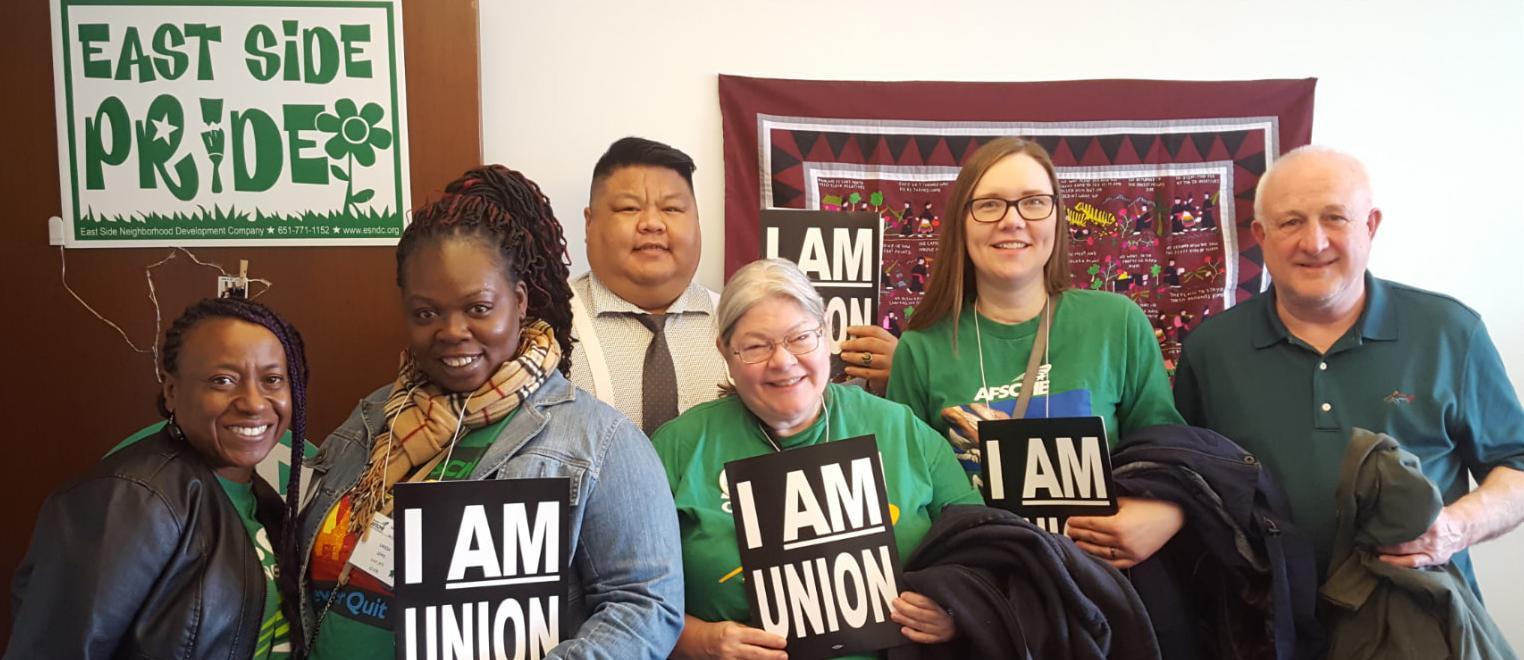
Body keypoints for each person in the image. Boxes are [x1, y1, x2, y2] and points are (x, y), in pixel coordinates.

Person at [300, 165, 684, 658]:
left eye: (478, 308)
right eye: (426, 313)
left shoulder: (599, 441)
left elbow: (646, 606)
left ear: (518, 302)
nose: (452, 331)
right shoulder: (372, 420)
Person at [1174, 146, 1524, 593]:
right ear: (1261, 235)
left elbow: (1516, 464)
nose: (1314, 242)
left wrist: (1456, 528)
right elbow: (1185, 487)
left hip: (1416, 622)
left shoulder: (1450, 332)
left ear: (1371, 225)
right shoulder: (1210, 350)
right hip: (1263, 627)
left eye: (1335, 218)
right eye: (1291, 221)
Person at [654, 258, 984, 660]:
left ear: (826, 332)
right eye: (757, 346)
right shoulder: (678, 448)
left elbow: (983, 551)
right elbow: (630, 593)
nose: (783, 361)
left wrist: (953, 611)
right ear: (725, 350)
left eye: (800, 338)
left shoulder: (899, 428)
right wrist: (700, 641)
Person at [885, 137, 1185, 569]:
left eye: (1033, 202)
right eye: (989, 205)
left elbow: (1169, 457)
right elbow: (909, 499)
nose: (1012, 221)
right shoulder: (921, 348)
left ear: (1057, 218)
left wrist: (1168, 515)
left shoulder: (1116, 323)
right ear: (962, 223)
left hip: (1101, 594)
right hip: (982, 595)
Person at [9, 297, 310, 658]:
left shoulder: (262, 500)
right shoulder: (127, 498)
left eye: (272, 379)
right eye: (223, 380)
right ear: (171, 391)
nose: (253, 403)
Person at [572, 138, 898, 433]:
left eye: (671, 208)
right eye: (629, 208)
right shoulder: (548, 329)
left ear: (697, 221)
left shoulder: (746, 326)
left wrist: (894, 379)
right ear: (590, 222)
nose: (652, 224)